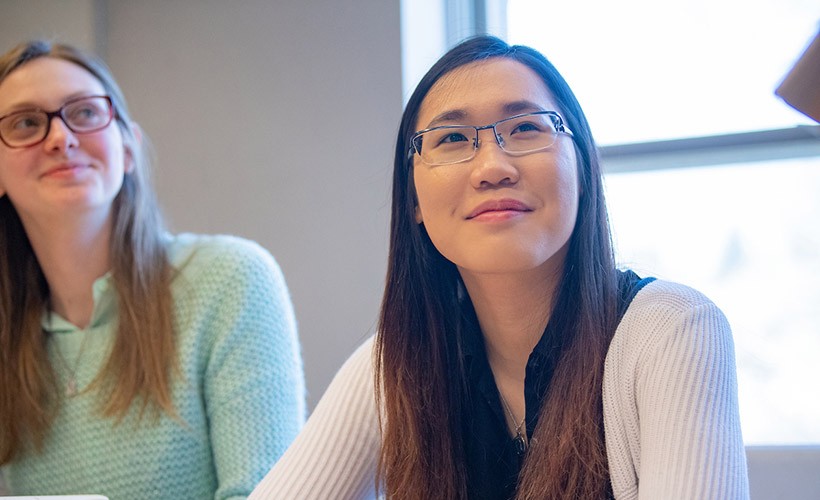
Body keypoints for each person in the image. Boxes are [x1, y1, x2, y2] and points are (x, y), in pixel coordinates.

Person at [250, 35, 749, 500]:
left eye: (527, 128)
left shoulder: (671, 330)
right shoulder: (396, 363)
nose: (493, 167)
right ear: (413, 202)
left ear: (583, 173)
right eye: (450, 139)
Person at [0, 40, 305, 498]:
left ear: (126, 148)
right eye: (26, 123)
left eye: (84, 113)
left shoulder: (232, 280)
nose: (60, 137)